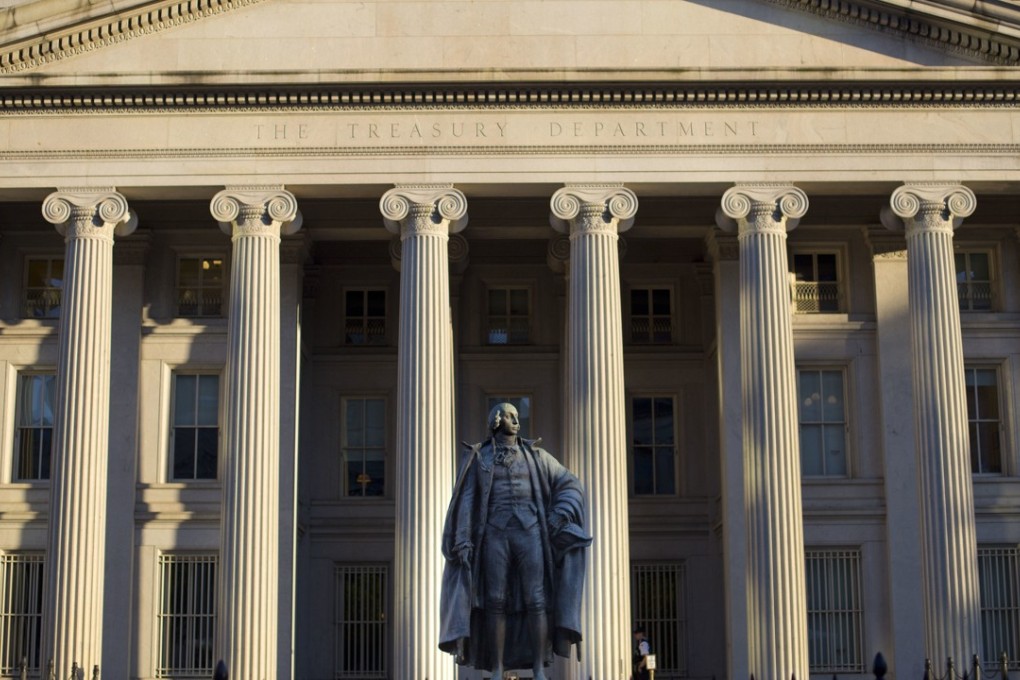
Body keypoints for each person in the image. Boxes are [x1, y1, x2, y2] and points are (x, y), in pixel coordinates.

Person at [439, 403, 592, 679]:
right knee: (495, 601)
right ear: (496, 421)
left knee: (537, 599)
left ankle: (538, 668)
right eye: (510, 416)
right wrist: (462, 538)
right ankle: (497, 668)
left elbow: (570, 483)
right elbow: (467, 499)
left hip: (531, 532)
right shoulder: (480, 458)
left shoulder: (537, 457)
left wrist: (560, 513)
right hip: (494, 535)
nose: (516, 421)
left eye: (517, 416)